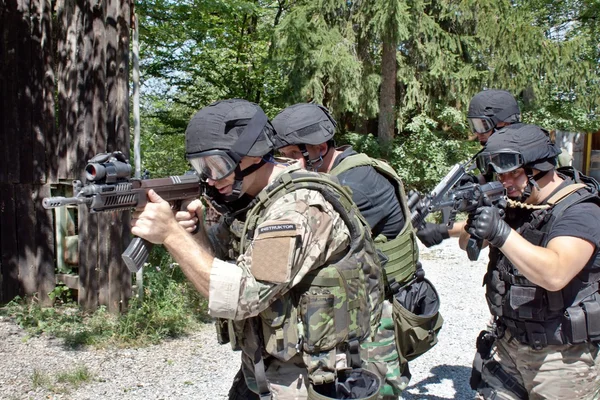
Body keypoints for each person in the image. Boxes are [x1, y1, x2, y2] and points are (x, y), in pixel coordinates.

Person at [131, 99, 386, 400]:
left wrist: (171, 235)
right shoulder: (254, 200)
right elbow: (217, 261)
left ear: (252, 154)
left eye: (217, 165)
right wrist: (194, 229)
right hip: (268, 369)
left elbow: (241, 296)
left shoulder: (299, 208)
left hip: (315, 379)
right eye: (201, 167)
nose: (210, 178)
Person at [271, 103, 440, 396]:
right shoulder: (332, 176)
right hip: (358, 307)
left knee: (375, 391)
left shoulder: (357, 181)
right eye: (282, 158)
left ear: (319, 148)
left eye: (293, 157)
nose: (286, 165)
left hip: (379, 316)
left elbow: (303, 242)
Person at [459, 123, 600, 399]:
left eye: (513, 174)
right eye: (500, 175)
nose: (505, 183)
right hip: (507, 346)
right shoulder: (517, 201)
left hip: (561, 361)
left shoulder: (581, 210)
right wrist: (479, 215)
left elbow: (555, 273)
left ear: (541, 169)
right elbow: (466, 245)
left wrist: (500, 231)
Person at [417, 89, 522, 248]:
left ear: (504, 123)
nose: (476, 133)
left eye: (482, 125)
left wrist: (444, 231)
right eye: (474, 125)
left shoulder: (520, 163)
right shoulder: (495, 160)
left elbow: (490, 226)